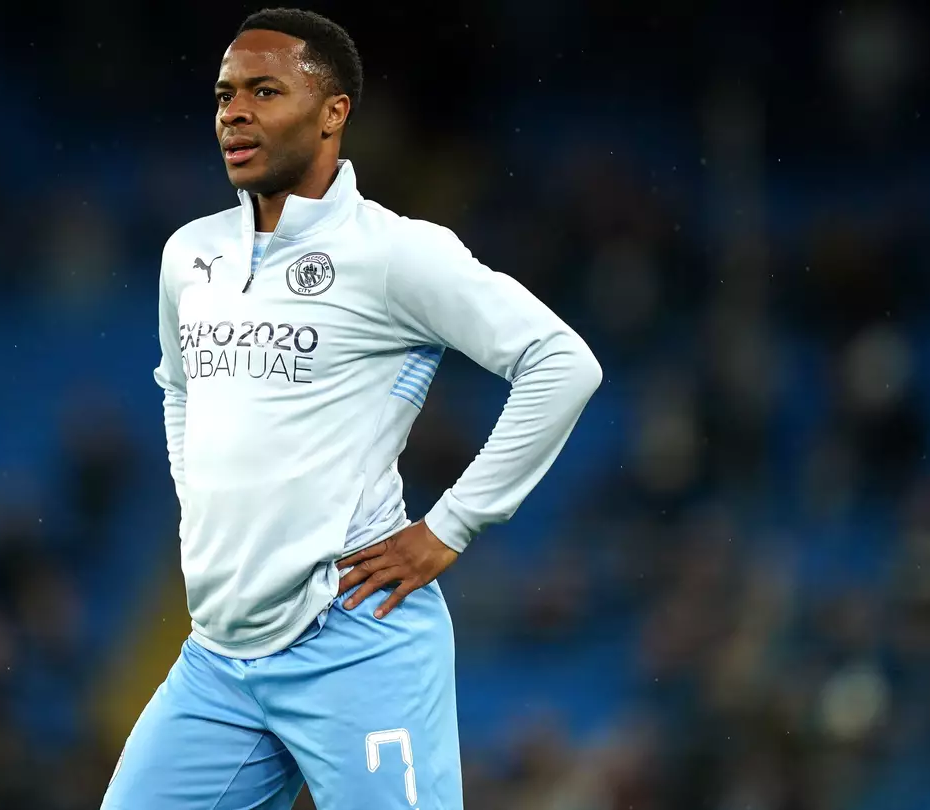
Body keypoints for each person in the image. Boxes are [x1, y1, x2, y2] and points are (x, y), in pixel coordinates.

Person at [102, 8, 602, 809]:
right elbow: (179, 386)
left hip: (354, 639)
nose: (235, 111)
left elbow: (562, 363)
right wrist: (200, 507)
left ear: (335, 111)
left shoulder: (396, 252)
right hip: (219, 655)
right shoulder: (189, 253)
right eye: (226, 92)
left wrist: (451, 526)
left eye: (265, 91)